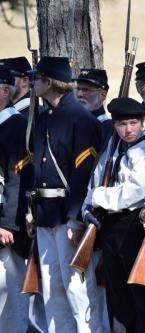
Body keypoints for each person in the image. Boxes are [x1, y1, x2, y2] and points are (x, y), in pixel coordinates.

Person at [28, 56, 105, 332]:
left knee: (77, 289)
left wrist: (75, 219)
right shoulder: (45, 117)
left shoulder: (81, 120)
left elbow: (82, 175)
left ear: (49, 82)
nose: (32, 83)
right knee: (51, 290)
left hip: (67, 217)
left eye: (36, 78)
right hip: (45, 216)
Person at [82, 97, 145, 332]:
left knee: (140, 296)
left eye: (133, 123)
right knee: (117, 298)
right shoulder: (113, 148)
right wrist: (88, 207)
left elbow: (136, 192)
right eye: (121, 124)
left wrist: (97, 197)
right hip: (110, 228)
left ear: (142, 122)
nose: (127, 130)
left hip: (133, 226)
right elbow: (96, 179)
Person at [0, 67, 32, 333]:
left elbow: (16, 179)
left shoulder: (15, 126)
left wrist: (8, 223)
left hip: (5, 225)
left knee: (11, 288)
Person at [74, 68, 113, 141]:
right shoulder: (70, 122)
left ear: (102, 95)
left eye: (86, 90)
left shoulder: (107, 128)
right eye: (78, 89)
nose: (79, 94)